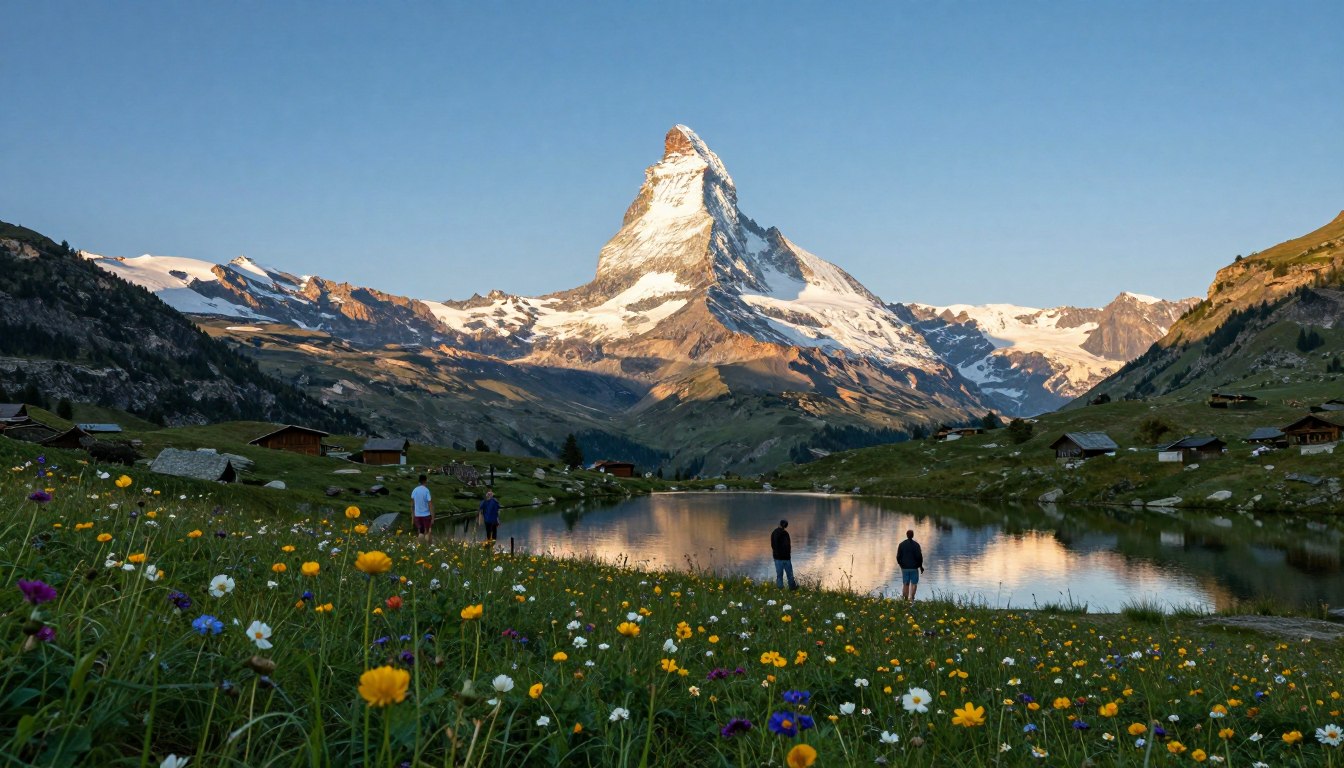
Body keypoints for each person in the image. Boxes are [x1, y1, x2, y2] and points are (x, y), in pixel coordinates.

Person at [897, 529, 925, 601]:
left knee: (906, 583)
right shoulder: (916, 545)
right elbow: (919, 557)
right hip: (914, 568)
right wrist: (921, 566)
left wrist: (901, 564)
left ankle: (905, 599)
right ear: (913, 535)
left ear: (906, 535)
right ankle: (912, 598)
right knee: (914, 583)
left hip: (904, 567)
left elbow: (898, 557)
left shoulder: (901, 544)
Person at [770, 519, 798, 590]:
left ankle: (781, 590)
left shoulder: (776, 533)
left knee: (780, 575)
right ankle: (792, 589)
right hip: (784, 558)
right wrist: (787, 554)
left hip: (780, 558)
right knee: (789, 575)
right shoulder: (784, 533)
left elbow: (773, 545)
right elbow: (787, 545)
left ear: (779, 524)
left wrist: (777, 554)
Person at [411, 474, 433, 542]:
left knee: (421, 532)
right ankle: (428, 546)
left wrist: (413, 517)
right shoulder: (426, 490)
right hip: (426, 515)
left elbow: (412, 505)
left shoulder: (414, 490)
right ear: (425, 481)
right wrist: (432, 516)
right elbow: (430, 504)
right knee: (427, 532)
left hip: (417, 515)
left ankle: (420, 546)